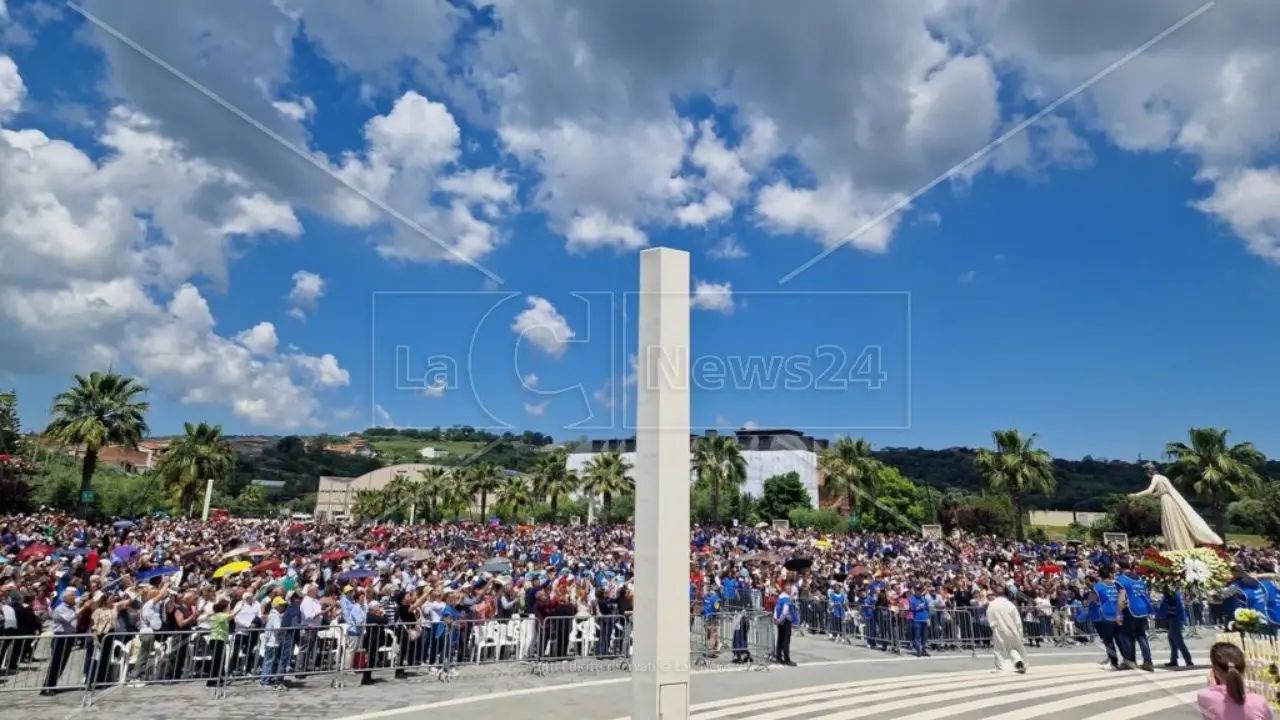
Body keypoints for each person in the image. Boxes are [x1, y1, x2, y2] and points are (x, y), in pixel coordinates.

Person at [1132, 462, 1223, 549]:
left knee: (1170, 522)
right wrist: (1154, 495)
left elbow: (1149, 490)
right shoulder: (1163, 477)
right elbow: (1163, 490)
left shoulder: (1155, 477)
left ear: (1149, 472)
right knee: (1174, 521)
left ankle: (1176, 544)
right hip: (1169, 499)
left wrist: (1135, 495)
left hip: (1166, 500)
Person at [1197, 642, 1273, 719]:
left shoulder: (1204, 697)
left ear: (1214, 670)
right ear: (1244, 670)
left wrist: (1212, 686)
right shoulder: (1259, 702)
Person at [1116, 559, 1155, 671]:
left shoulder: (1121, 580)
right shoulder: (1139, 579)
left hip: (1131, 609)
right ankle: (1148, 661)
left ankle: (1129, 661)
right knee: (1141, 635)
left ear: (1120, 568)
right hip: (1143, 608)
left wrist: (1118, 614)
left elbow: (1121, 598)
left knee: (1125, 635)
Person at [986, 584, 1027, 674]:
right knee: (1012, 648)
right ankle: (1018, 662)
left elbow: (990, 618)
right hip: (1012, 629)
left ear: (995, 593)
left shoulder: (992, 605)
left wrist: (993, 627)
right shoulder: (1010, 604)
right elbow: (1017, 620)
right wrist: (1020, 632)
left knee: (999, 650)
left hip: (999, 629)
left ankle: (1002, 668)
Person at [1093, 566, 1124, 671]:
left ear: (1100, 575)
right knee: (1120, 639)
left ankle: (1114, 663)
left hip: (1106, 615)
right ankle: (1126, 660)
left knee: (1108, 641)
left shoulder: (1098, 586)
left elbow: (1094, 599)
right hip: (1119, 614)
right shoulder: (1116, 584)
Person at [1159, 587, 1194, 669]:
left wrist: (1162, 614)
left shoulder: (1171, 595)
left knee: (1178, 640)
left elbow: (1170, 606)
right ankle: (1174, 660)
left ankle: (1188, 660)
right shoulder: (1175, 594)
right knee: (1172, 640)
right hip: (1174, 619)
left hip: (1174, 619)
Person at [773, 584, 798, 666]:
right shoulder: (787, 599)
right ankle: (787, 659)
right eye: (789, 589)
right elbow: (785, 612)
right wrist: (780, 619)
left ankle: (778, 657)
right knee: (786, 641)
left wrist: (776, 618)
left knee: (780, 639)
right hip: (785, 621)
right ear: (785, 589)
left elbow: (776, 609)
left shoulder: (779, 598)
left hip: (780, 621)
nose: (790, 590)